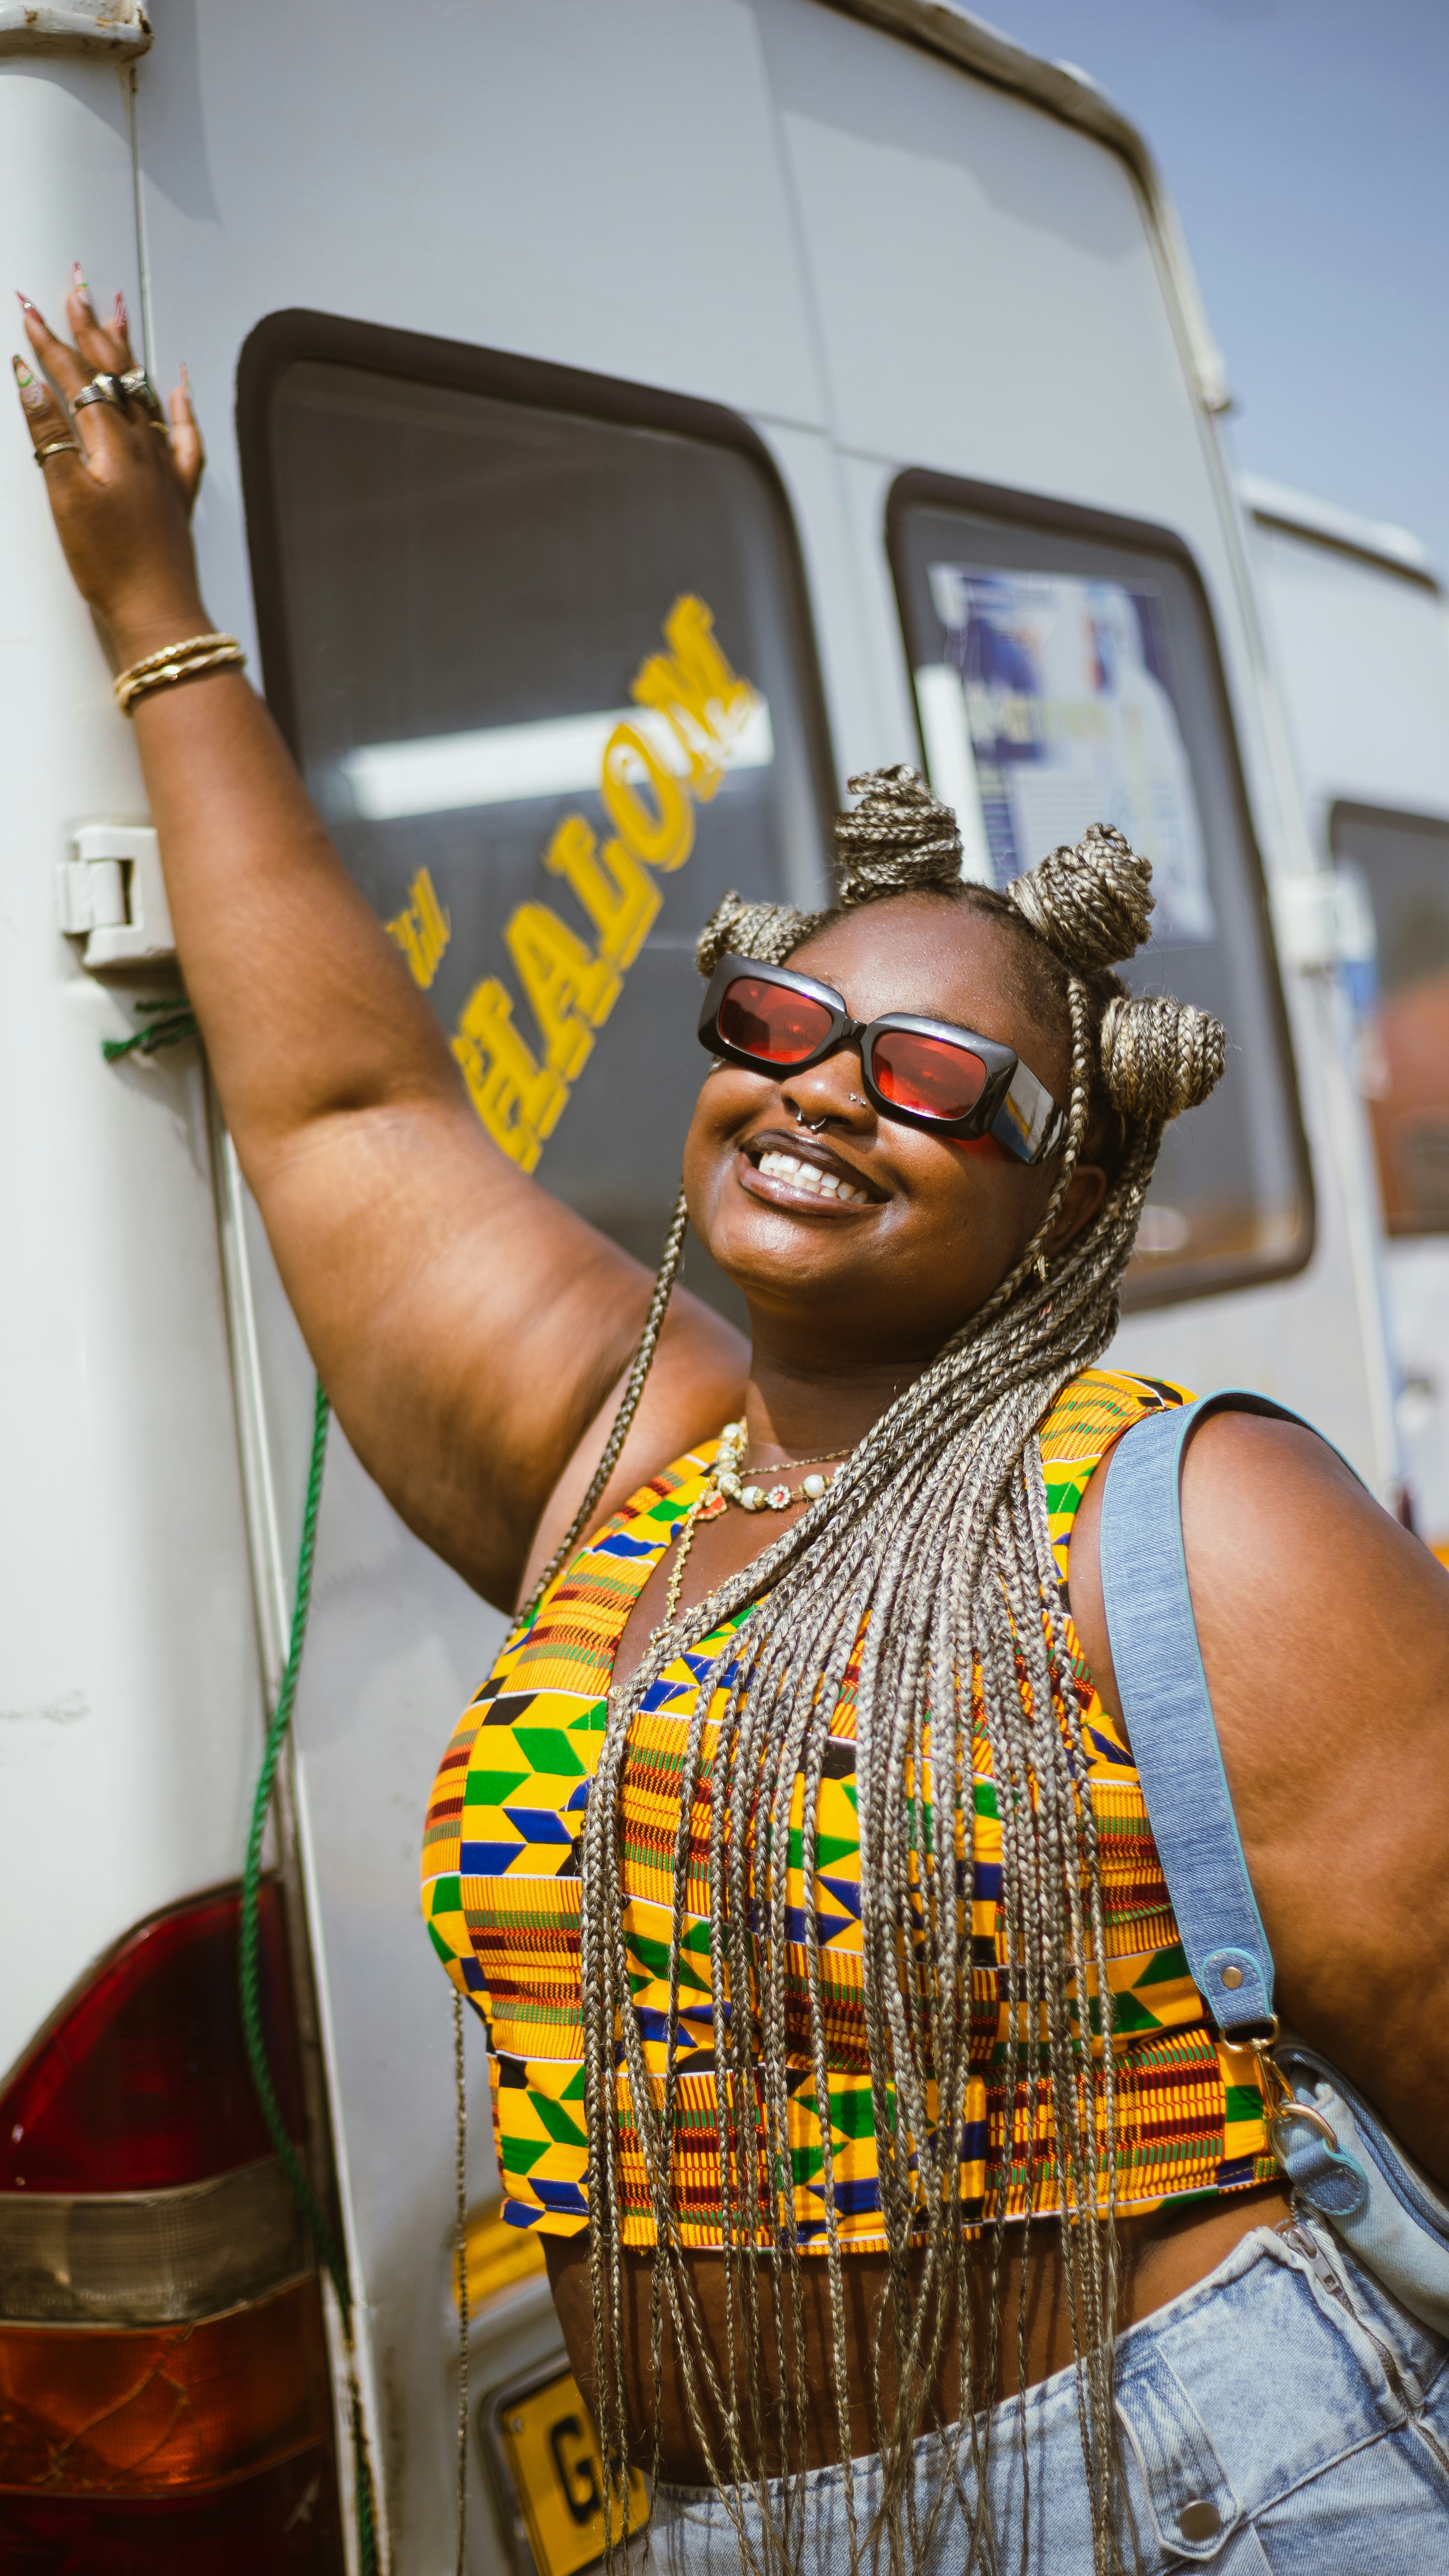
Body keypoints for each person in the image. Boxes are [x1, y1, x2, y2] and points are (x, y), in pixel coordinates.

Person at [17, 281, 1449, 2575]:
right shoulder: (630, 1474)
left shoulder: (1200, 1524)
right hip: (731, 2534)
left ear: (1071, 1184)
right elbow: (347, 1107)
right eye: (784, 1021)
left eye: (929, 1079)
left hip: (1198, 2492)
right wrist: (153, 606)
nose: (817, 1092)